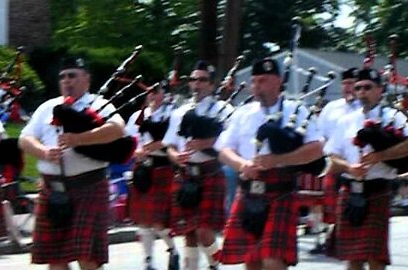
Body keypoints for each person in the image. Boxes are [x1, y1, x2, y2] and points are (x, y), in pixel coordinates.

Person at [215, 58, 323, 270]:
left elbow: (317, 149)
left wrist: (279, 160)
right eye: (254, 81)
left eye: (262, 80)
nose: (257, 86)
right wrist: (242, 165)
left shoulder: (297, 111)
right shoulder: (242, 113)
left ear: (278, 81)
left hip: (280, 192)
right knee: (252, 261)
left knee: (273, 262)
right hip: (249, 191)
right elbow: (223, 150)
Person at [19, 57, 126, 270]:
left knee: (87, 259)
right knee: (55, 260)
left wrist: (79, 139)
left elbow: (117, 129)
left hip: (89, 187)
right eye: (63, 77)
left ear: (86, 79)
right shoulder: (48, 107)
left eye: (72, 75)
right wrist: (43, 151)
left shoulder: (98, 105)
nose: (67, 81)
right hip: (52, 189)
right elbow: (24, 138)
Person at [324, 68, 408, 270]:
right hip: (350, 191)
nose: (362, 92)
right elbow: (331, 156)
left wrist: (380, 156)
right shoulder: (345, 120)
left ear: (380, 90)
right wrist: (349, 166)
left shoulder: (393, 117)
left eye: (367, 87)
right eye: (358, 88)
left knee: (375, 258)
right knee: (352, 258)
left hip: (377, 190)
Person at [162, 60, 232, 270]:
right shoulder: (180, 112)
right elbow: (170, 145)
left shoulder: (224, 110)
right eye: (194, 80)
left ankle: (214, 265)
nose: (197, 84)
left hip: (210, 173)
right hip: (185, 174)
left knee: (203, 231)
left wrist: (205, 143)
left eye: (202, 80)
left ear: (212, 85)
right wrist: (176, 157)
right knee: (188, 234)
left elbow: (229, 143)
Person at [125, 83, 179, 270]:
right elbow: (129, 142)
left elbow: (175, 141)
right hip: (142, 169)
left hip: (162, 168)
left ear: (165, 94)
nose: (152, 95)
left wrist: (160, 146)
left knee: (158, 221)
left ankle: (172, 250)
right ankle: (148, 260)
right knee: (142, 220)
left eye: (156, 91)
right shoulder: (137, 116)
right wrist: (137, 151)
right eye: (149, 91)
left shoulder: (172, 115)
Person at [308, 67, 361, 254]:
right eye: (345, 83)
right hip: (332, 163)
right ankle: (330, 239)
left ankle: (342, 238)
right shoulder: (331, 108)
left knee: (353, 204)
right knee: (330, 204)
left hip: (358, 164)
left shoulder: (365, 108)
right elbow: (319, 134)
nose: (348, 87)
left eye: (352, 83)